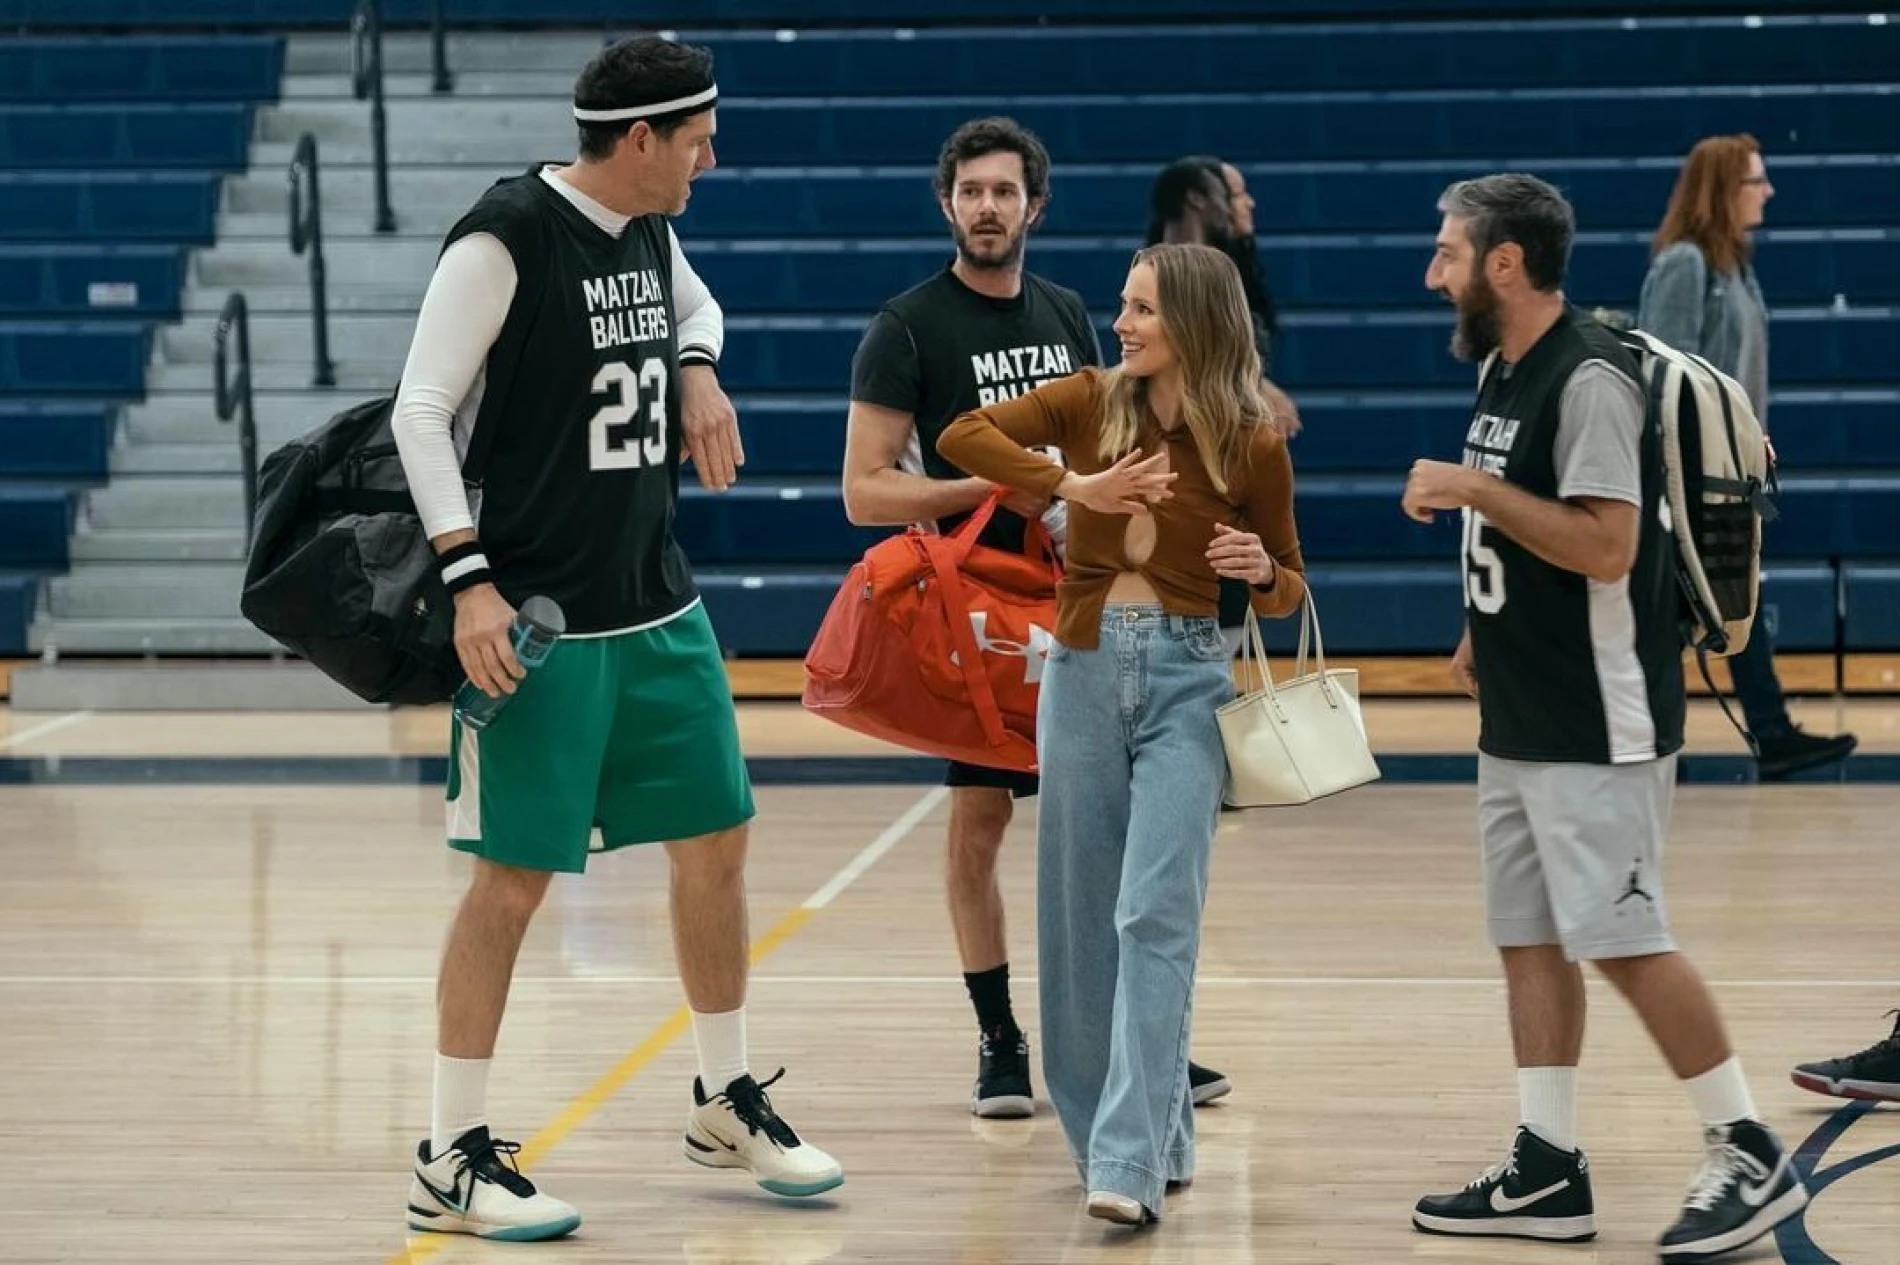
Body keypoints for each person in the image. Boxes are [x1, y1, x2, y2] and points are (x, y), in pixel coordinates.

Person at [388, 35, 841, 1241]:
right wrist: (468, 582)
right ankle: (448, 1151)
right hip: (535, 624)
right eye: (698, 140)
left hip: (659, 605)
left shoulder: (649, 225)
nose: (709, 158)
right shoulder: (505, 237)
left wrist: (695, 367)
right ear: (640, 140)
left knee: (718, 840)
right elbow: (418, 413)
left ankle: (723, 1097)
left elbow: (699, 305)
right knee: (510, 881)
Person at [1400, 173, 1808, 1260]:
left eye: (1447, 253)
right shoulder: (1504, 364)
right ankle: (1546, 1163)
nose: (1432, 273)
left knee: (1626, 941)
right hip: (1520, 710)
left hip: (1597, 717)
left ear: (1503, 264)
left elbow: (1605, 545)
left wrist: (1469, 490)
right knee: (1528, 936)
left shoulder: (1586, 377)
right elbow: (1522, 525)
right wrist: (1479, 624)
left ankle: (1748, 1146)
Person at [841, 118, 1231, 1119]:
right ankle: (1000, 1035)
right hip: (976, 609)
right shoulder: (906, 328)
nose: (987, 207)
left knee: (1113, 829)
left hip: (1081, 595)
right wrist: (997, 482)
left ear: (1035, 206)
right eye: (971, 191)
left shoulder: (1064, 312)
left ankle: (1133, 1038)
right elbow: (864, 491)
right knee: (980, 821)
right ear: (946, 203)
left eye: (1004, 192)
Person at [937, 241, 1307, 1226]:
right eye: (1124, 303)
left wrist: (1260, 570)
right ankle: (1141, 1134)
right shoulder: (1088, 401)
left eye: (1142, 307)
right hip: (1082, 672)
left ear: (1193, 321)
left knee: (1155, 913)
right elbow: (961, 433)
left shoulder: (1251, 440)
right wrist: (1074, 488)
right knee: (1079, 922)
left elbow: (1290, 586)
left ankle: (1128, 1157)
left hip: (1191, 678)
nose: (1123, 322)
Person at [1636, 133, 1857, 781]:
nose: (1768, 192)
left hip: (1728, 467)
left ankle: (1763, 731)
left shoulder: (1734, 263)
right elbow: (1666, 371)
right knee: (1690, 601)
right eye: (1757, 181)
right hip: (1691, 469)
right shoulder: (1686, 264)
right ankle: (1684, 736)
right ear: (1724, 190)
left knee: (1731, 595)